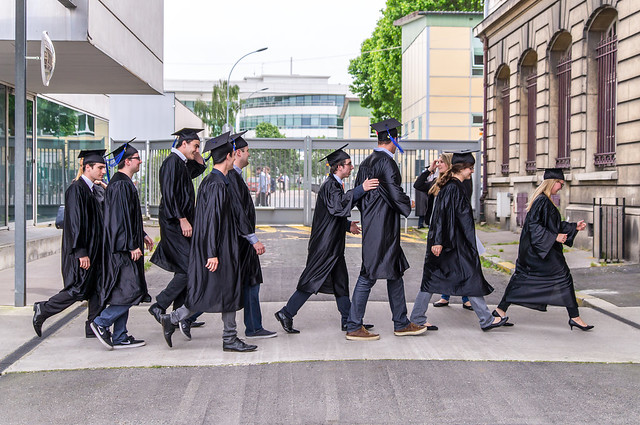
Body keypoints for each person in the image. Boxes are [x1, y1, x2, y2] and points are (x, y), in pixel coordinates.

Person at [159, 132, 257, 352]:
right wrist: (212, 253)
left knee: (217, 291)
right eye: (234, 155)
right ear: (230, 156)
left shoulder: (217, 181)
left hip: (223, 247)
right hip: (219, 249)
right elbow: (211, 221)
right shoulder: (215, 184)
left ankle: (175, 319)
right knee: (216, 291)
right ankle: (228, 338)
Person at [275, 145, 379, 334]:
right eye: (348, 164)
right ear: (338, 167)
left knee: (341, 282)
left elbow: (333, 214)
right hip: (324, 246)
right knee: (311, 281)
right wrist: (361, 189)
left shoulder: (335, 185)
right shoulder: (331, 185)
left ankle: (349, 320)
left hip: (333, 245)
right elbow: (338, 206)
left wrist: (348, 226)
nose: (352, 167)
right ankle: (286, 313)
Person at [345, 118, 427, 341]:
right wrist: (407, 203)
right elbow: (394, 190)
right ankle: (353, 325)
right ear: (393, 139)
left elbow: (359, 195)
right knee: (368, 274)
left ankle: (401, 322)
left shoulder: (366, 163)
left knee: (395, 272)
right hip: (383, 229)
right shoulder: (387, 163)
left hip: (375, 224)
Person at [410, 151, 509, 331]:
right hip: (450, 243)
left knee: (454, 276)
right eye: (470, 168)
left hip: (453, 242)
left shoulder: (454, 186)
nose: (472, 171)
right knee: (458, 276)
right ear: (462, 168)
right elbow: (441, 215)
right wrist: (438, 241)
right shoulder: (452, 188)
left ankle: (418, 317)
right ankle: (485, 319)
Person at [493, 168, 593, 331]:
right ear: (552, 183)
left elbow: (553, 225)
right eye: (560, 183)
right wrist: (554, 237)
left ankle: (500, 311)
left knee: (523, 277)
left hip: (538, 251)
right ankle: (574, 317)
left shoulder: (545, 200)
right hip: (538, 252)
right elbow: (532, 226)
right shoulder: (542, 201)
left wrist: (574, 227)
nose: (561, 186)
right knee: (561, 277)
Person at [33, 150, 107, 338]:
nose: (103, 171)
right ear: (87, 167)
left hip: (95, 249)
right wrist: (81, 251)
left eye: (104, 167)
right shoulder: (76, 189)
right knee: (77, 289)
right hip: (81, 250)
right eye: (100, 168)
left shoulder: (92, 189)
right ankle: (44, 309)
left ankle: (93, 327)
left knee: (97, 288)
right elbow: (74, 222)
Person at [90, 141, 154, 349]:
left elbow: (128, 217)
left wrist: (142, 234)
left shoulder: (122, 183)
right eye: (137, 158)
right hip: (121, 250)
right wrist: (129, 245)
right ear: (127, 161)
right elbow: (117, 220)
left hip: (127, 245)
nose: (140, 161)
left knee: (124, 291)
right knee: (131, 290)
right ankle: (101, 322)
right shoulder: (119, 185)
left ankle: (120, 335)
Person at [148, 128, 207, 338]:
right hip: (174, 224)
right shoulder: (171, 163)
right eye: (195, 146)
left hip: (180, 223)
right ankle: (160, 305)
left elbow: (199, 168)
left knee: (185, 268)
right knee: (190, 267)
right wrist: (182, 219)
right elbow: (169, 194)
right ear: (183, 144)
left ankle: (177, 315)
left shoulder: (181, 163)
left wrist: (197, 152)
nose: (197, 150)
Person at [227, 131, 276, 339]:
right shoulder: (231, 178)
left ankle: (254, 326)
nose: (249, 156)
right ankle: (183, 316)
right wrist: (253, 239)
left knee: (249, 283)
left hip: (242, 242)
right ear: (237, 153)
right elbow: (238, 213)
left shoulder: (235, 177)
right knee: (227, 284)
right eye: (247, 152)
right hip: (240, 242)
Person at [418, 153, 474, 311]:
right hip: (441, 231)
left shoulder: (456, 184)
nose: (438, 163)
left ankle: (467, 298)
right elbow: (418, 184)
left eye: (441, 161)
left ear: (451, 165)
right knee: (447, 266)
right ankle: (446, 297)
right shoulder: (439, 183)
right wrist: (430, 169)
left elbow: (455, 212)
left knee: (457, 265)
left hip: (453, 231)